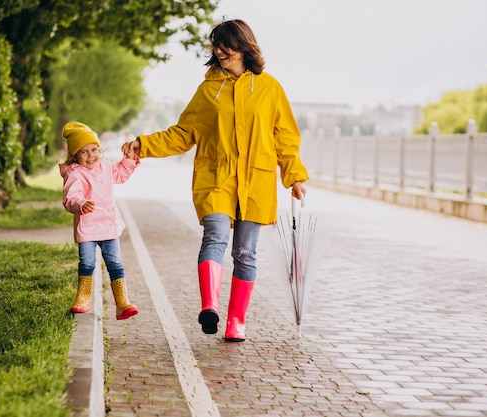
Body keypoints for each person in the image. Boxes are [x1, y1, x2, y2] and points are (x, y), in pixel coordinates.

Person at [123, 19, 308, 342]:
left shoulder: (269, 88)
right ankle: (210, 307)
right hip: (216, 177)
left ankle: (237, 320)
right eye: (216, 45)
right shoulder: (208, 90)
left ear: (244, 46)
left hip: (256, 181)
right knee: (215, 235)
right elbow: (183, 133)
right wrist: (144, 144)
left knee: (246, 253)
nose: (220, 51)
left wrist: (294, 175)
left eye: (226, 45)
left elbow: (284, 137)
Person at [60, 121, 139, 320]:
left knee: (115, 263)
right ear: (75, 155)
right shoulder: (75, 173)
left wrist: (128, 160)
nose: (91, 156)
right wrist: (81, 203)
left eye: (94, 149)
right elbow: (70, 197)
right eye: (84, 152)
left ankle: (122, 303)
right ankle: (83, 298)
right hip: (88, 226)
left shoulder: (104, 165)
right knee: (87, 263)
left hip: (109, 225)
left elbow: (120, 175)